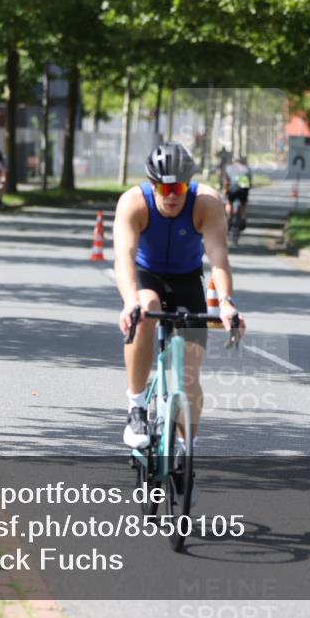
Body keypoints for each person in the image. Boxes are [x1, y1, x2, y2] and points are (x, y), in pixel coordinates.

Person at [114, 142, 245, 449]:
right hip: (147, 277)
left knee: (189, 375)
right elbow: (124, 258)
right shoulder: (134, 203)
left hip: (187, 280)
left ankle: (187, 454)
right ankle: (136, 406)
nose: (172, 195)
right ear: (152, 184)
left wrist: (226, 304)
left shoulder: (207, 203)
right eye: (164, 188)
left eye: (180, 187)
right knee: (147, 307)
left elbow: (219, 260)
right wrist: (130, 301)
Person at [222, 157, 252, 231]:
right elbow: (249, 183)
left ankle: (228, 219)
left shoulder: (229, 168)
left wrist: (225, 190)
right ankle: (243, 218)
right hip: (243, 187)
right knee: (243, 204)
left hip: (233, 187)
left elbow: (226, 182)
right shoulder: (246, 168)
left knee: (229, 202)